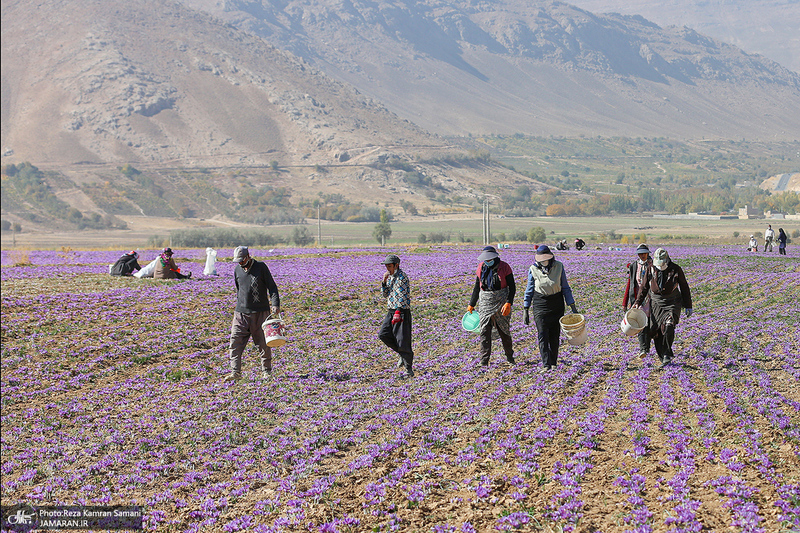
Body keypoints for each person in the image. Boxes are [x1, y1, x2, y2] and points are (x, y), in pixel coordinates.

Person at [226, 246, 280, 381]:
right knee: (235, 341)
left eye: (242, 260)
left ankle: (266, 371)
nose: (240, 263)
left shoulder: (261, 268)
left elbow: (272, 287)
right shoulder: (237, 270)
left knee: (263, 344)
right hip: (241, 314)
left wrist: (275, 304)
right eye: (238, 261)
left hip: (260, 313)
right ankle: (235, 373)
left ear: (248, 257)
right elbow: (239, 290)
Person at [633, 248, 692, 368]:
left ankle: (667, 354)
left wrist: (688, 305)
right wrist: (637, 302)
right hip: (657, 303)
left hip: (672, 302)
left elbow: (684, 287)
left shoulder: (676, 269)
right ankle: (661, 354)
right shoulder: (651, 268)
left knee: (669, 324)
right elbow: (644, 287)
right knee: (657, 330)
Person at [523, 244, 578, 372]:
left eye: (545, 260)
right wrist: (526, 308)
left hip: (556, 303)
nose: (543, 262)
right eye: (541, 260)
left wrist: (572, 305)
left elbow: (565, 287)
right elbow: (529, 289)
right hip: (540, 303)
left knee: (554, 334)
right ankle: (545, 364)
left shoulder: (559, 266)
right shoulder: (533, 269)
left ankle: (553, 362)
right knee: (542, 334)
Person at [468, 246, 516, 367]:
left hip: (502, 301)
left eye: (489, 259)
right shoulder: (481, 267)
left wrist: (509, 302)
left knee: (504, 330)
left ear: (495, 257)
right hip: (485, 301)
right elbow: (476, 287)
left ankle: (510, 357)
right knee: (485, 331)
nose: (487, 261)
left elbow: (512, 287)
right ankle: (484, 361)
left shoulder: (504, 267)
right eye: (485, 259)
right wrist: (472, 304)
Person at [378, 254, 414, 378]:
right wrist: (384, 282)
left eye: (389, 266)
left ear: (396, 265)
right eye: (386, 266)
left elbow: (403, 295)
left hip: (401, 311)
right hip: (391, 310)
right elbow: (385, 294)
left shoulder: (402, 277)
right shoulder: (390, 277)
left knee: (402, 340)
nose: (387, 268)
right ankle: (401, 354)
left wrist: (398, 312)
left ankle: (408, 369)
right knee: (383, 334)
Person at [622, 244, 653, 358]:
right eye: (640, 254)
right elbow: (630, 284)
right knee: (640, 324)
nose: (643, 255)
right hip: (638, 299)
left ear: (648, 253)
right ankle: (643, 349)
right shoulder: (634, 266)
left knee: (650, 324)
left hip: (651, 299)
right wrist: (625, 302)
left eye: (644, 253)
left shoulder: (654, 265)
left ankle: (647, 347)